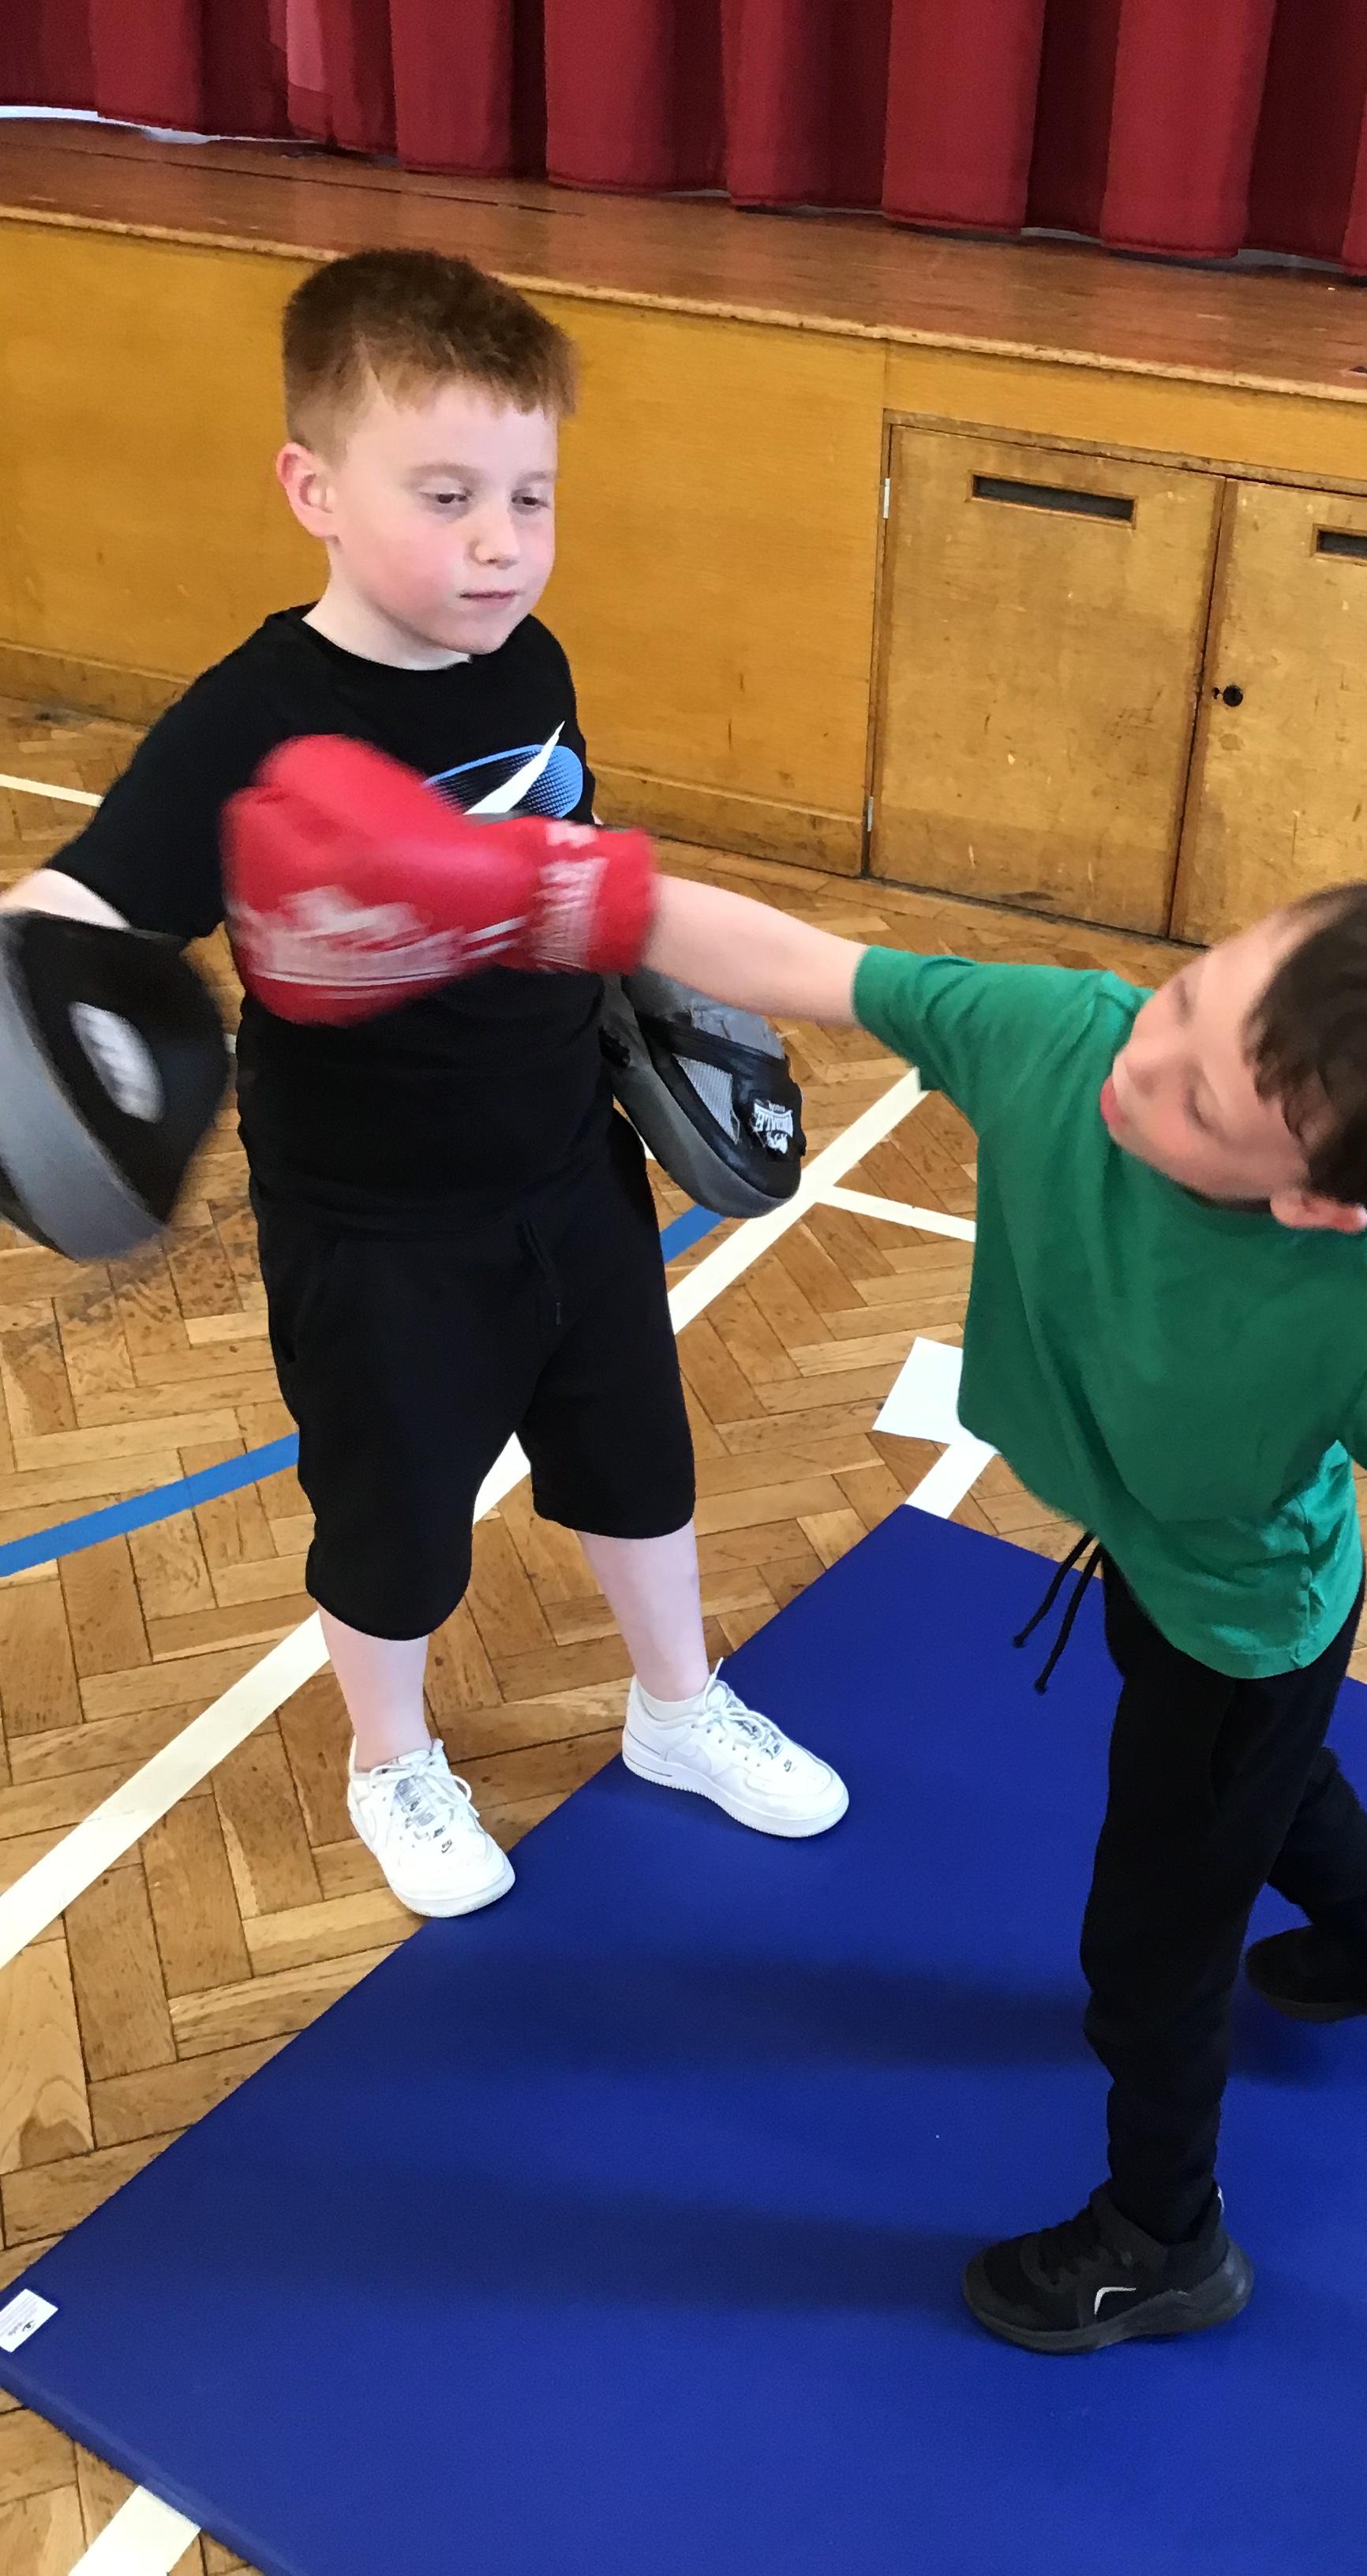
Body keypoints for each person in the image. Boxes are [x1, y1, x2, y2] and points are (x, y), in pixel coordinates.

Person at [215, 756, 1367, 2354]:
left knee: (1152, 1950)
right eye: (1185, 999)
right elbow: (810, 966)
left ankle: (1168, 2241)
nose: (1150, 1067)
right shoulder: (1068, 1036)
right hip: (1154, 1557)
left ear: (1316, 1202)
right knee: (1274, 1791)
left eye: (1202, 1103)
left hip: (1243, 1622)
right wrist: (544, 897)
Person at [0, 249, 847, 1919]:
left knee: (639, 1464)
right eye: (446, 495)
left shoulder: (529, 662)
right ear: (312, 488)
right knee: (392, 1527)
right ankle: (389, 1759)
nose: (499, 543)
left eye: (531, 497)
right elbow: (85, 903)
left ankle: (679, 1708)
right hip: (374, 1225)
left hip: (569, 1160)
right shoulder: (253, 722)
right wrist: (32, 964)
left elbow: (567, 853)